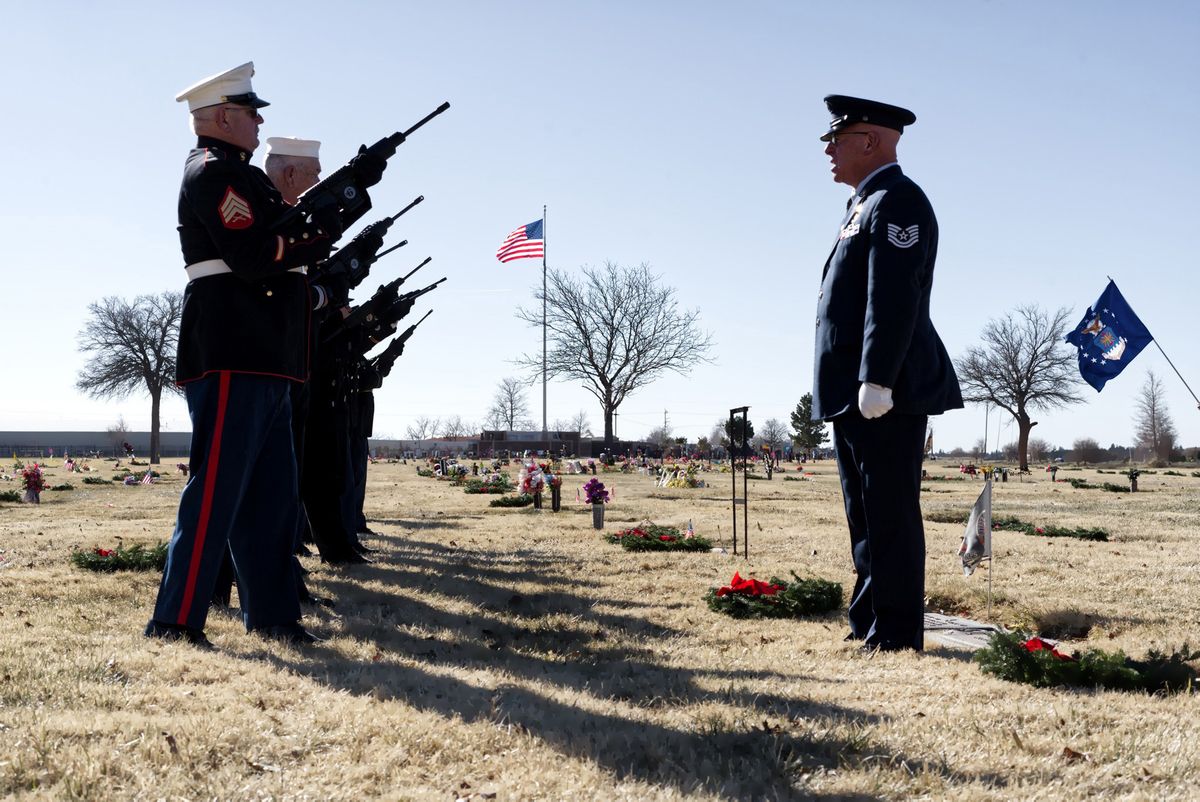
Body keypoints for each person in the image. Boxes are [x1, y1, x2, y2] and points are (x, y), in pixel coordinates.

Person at [145, 62, 348, 647]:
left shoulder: (245, 178)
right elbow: (257, 255)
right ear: (221, 117)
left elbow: (278, 246)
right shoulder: (212, 175)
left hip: (267, 352)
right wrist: (316, 235)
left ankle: (274, 615)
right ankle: (175, 619)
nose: (260, 121)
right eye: (250, 112)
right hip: (234, 347)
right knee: (216, 493)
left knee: (271, 498)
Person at [811, 94, 963, 652]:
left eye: (837, 139)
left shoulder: (898, 201)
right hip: (854, 392)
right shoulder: (863, 203)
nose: (828, 150)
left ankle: (897, 634)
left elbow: (893, 297)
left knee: (890, 514)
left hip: (884, 391)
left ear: (870, 140)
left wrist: (877, 378)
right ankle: (870, 620)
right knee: (865, 515)